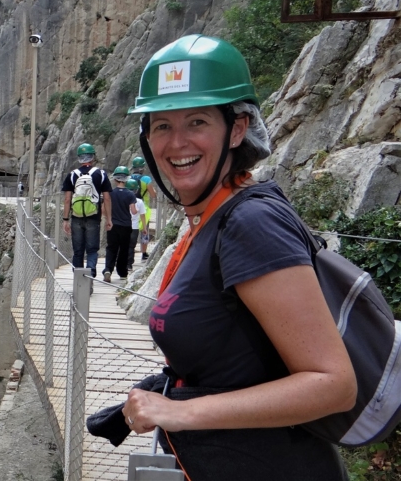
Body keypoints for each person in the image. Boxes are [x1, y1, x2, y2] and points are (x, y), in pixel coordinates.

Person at [119, 35, 355, 479]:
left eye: (197, 121)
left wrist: (180, 412)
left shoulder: (251, 224)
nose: (176, 143)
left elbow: (333, 385)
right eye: (161, 125)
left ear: (238, 129)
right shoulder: (211, 218)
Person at [61, 143, 113, 277]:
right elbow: (107, 199)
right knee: (92, 250)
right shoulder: (100, 174)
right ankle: (90, 274)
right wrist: (109, 219)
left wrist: (65, 220)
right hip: (93, 217)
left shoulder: (72, 175)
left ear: (79, 158)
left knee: (78, 251)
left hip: (76, 217)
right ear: (92, 157)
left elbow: (67, 199)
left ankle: (79, 280)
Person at [101, 166, 137, 283]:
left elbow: (103, 210)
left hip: (113, 224)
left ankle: (108, 270)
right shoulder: (130, 194)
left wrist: (108, 218)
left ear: (115, 180)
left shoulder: (110, 193)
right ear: (126, 180)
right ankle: (122, 273)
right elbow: (133, 211)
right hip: (126, 225)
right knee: (124, 249)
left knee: (111, 248)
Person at [130, 155, 157, 259]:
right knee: (144, 230)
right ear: (142, 167)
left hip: (130, 206)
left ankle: (129, 251)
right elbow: (153, 195)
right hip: (144, 208)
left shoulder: (129, 178)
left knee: (131, 229)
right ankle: (144, 253)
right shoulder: (146, 179)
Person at [126, 178, 147, 271]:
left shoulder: (123, 198)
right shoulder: (139, 201)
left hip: (123, 225)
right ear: (137, 190)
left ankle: (120, 262)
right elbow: (142, 215)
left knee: (122, 245)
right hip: (134, 227)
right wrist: (144, 227)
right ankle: (129, 264)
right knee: (131, 246)